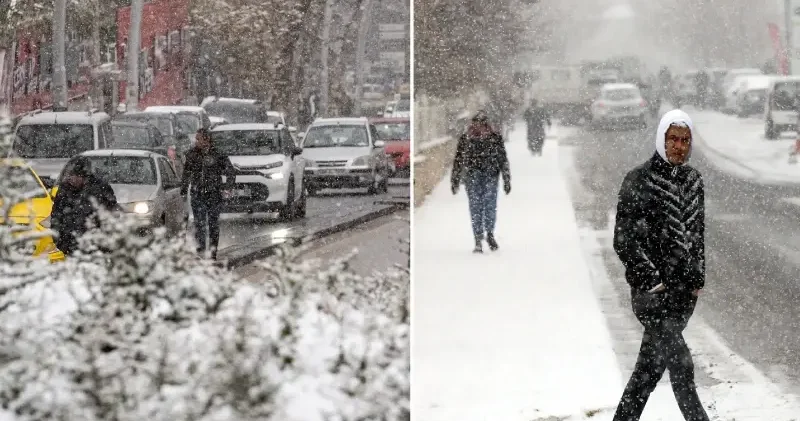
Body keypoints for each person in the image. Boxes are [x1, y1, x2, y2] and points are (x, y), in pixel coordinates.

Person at [611, 109, 709, 421]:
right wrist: (651, 281)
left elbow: (697, 235)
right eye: (673, 139)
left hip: (682, 298)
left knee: (647, 373)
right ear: (661, 140)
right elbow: (623, 239)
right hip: (651, 296)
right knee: (681, 365)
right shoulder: (638, 180)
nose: (679, 146)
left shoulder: (694, 180)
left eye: (685, 140)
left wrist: (697, 277)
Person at [451, 111, 511, 253]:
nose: (478, 126)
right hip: (473, 176)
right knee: (476, 207)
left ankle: (489, 233)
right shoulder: (466, 138)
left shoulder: (495, 137)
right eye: (476, 123)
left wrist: (506, 178)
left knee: (489, 205)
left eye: (480, 123)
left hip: (490, 174)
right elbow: (458, 160)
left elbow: (502, 158)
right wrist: (455, 179)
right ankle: (478, 238)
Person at [180, 128, 236, 260]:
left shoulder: (218, 155)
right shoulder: (192, 154)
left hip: (214, 194)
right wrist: (183, 189)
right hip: (197, 193)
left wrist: (227, 186)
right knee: (199, 223)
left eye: (199, 139)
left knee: (213, 223)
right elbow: (187, 173)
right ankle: (201, 249)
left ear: (207, 139)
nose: (196, 141)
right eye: (196, 139)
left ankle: (212, 251)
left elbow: (230, 171)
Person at [51, 156, 118, 256]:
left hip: (97, 249)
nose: (70, 178)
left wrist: (104, 244)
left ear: (83, 176)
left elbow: (112, 216)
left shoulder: (101, 189)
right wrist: (62, 243)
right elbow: (56, 217)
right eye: (69, 174)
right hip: (72, 249)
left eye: (73, 175)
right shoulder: (64, 190)